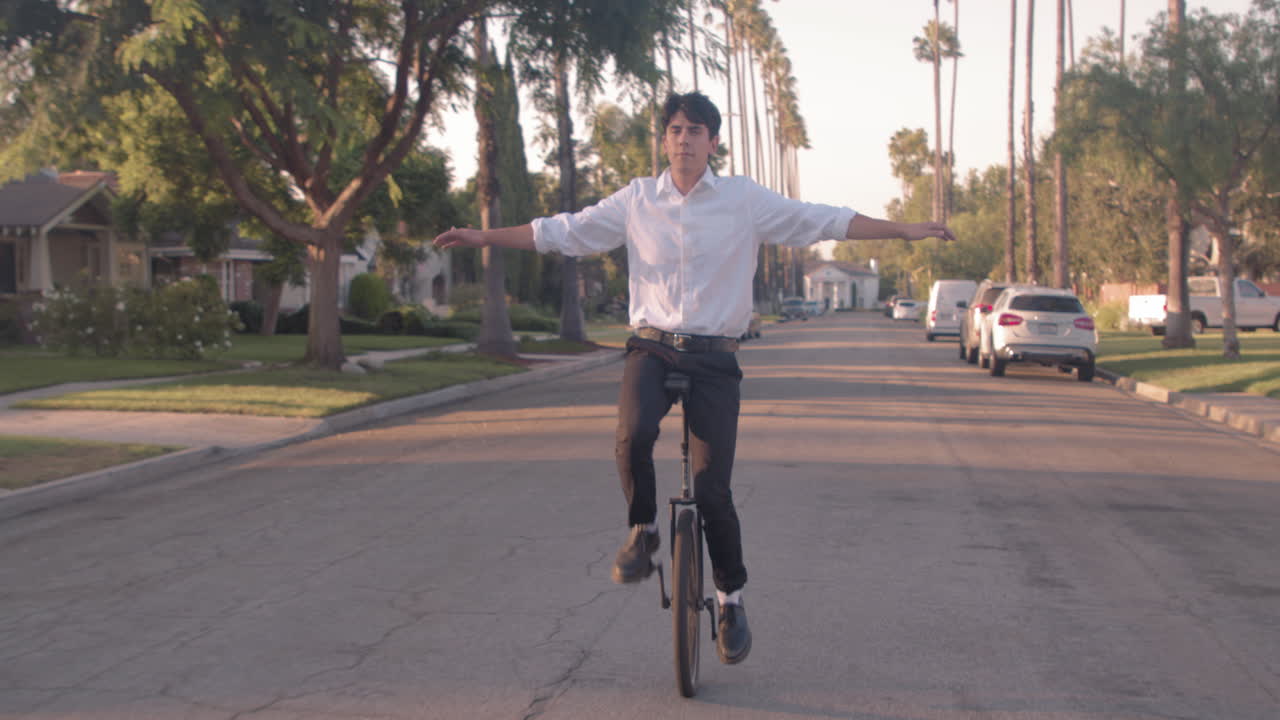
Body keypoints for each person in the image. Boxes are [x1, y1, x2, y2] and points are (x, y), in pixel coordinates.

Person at [434, 91, 954, 666]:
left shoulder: (743, 201)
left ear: (712, 142)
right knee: (631, 435)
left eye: (695, 130)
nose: (683, 138)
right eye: (675, 129)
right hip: (652, 348)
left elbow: (821, 220)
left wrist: (903, 230)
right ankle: (644, 530)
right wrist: (484, 237)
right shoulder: (636, 200)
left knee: (713, 493)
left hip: (714, 358)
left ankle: (731, 601)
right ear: (665, 139)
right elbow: (561, 231)